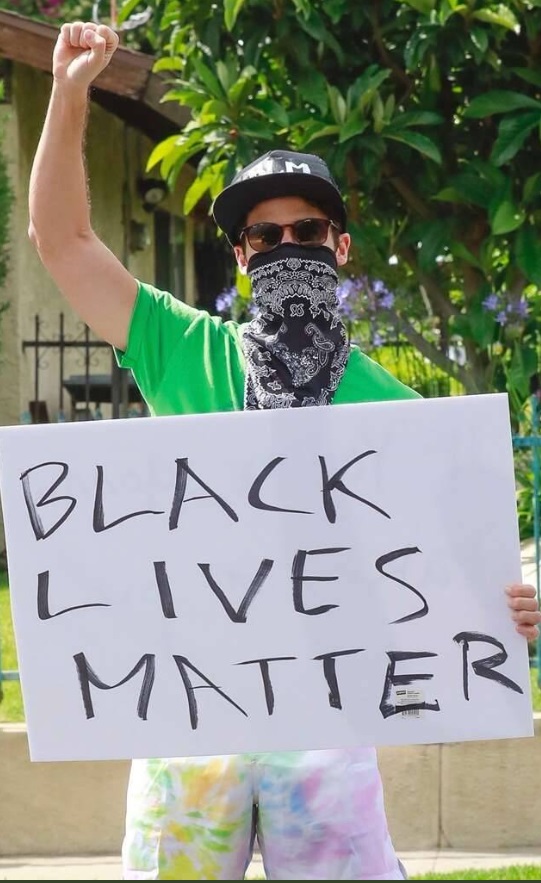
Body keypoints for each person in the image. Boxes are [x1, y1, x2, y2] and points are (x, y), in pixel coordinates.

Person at [28, 21, 541, 882]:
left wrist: (514, 605)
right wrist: (69, 91)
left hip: (326, 734)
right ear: (238, 256)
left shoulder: (395, 406)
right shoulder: (179, 347)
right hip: (188, 726)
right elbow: (63, 243)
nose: (286, 248)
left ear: (341, 247)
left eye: (306, 230)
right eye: (263, 238)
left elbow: (464, 563)